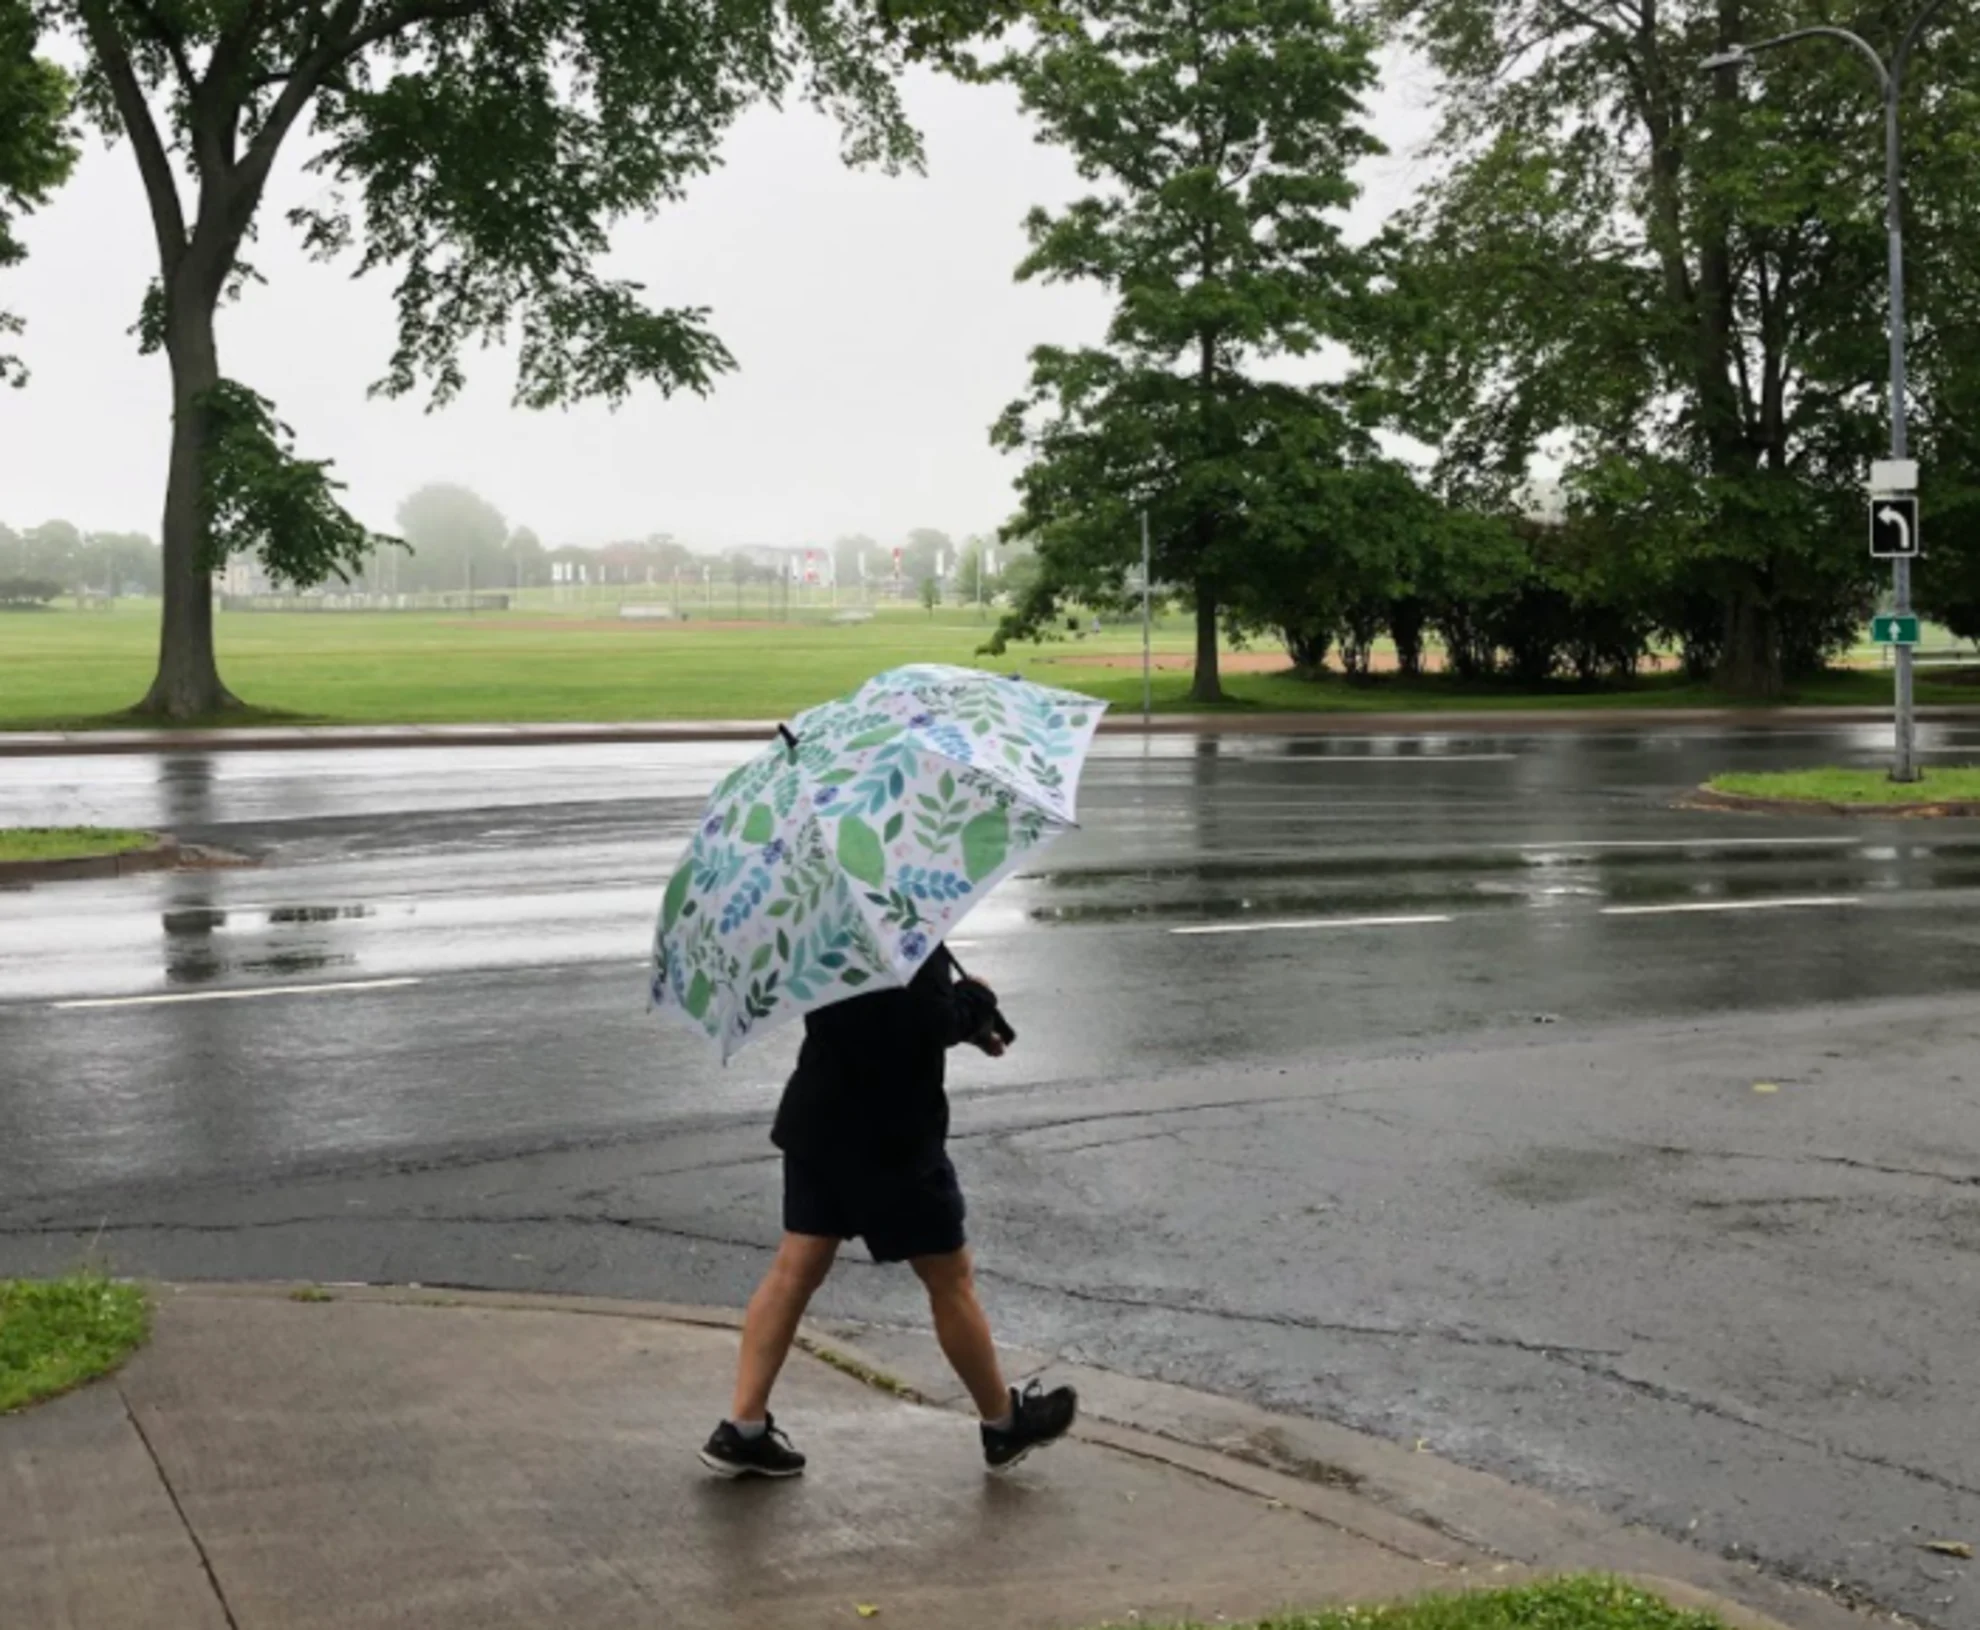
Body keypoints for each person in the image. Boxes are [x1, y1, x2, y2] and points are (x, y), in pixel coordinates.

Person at [700, 945, 1078, 1478]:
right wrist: (976, 998)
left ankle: (743, 1428)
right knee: (949, 1277)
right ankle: (1003, 1424)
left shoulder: (822, 924)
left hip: (820, 1121)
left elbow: (881, 1018)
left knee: (793, 1271)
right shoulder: (899, 932)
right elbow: (922, 1022)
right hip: (891, 1139)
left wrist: (967, 1019)